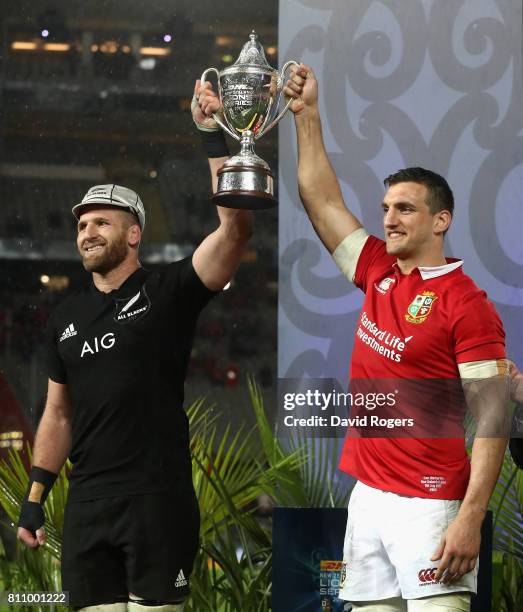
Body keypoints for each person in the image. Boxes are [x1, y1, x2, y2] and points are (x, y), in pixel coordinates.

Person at [17, 80, 253, 612]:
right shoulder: (66, 318)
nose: (87, 232)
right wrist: (35, 500)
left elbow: (235, 230)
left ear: (133, 235)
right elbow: (57, 415)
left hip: (157, 502)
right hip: (87, 507)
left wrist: (211, 136)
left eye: (102, 222)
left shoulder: (169, 290)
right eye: (81, 224)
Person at [283, 65, 509, 611]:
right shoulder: (377, 269)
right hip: (368, 500)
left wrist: (470, 516)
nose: (389, 219)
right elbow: (321, 200)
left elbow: (494, 417)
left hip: (431, 506)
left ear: (441, 221)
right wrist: (308, 115)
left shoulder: (468, 304)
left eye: (405, 208)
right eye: (385, 209)